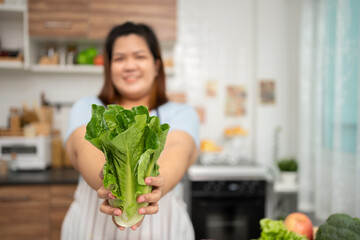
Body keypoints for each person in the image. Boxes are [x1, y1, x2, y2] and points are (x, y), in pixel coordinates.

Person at [61, 22, 200, 240]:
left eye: (139, 56)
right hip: (92, 231)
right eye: (119, 58)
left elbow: (178, 151)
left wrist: (151, 190)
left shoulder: (181, 113)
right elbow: (83, 149)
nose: (129, 65)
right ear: (108, 68)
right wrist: (110, 187)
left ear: (156, 66)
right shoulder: (88, 108)